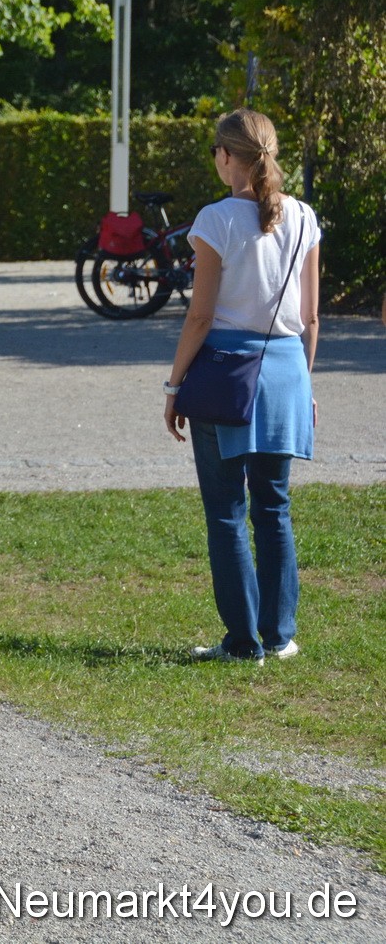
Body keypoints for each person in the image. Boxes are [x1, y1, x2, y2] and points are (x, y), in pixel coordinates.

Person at [165, 108, 319, 666]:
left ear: (226, 156)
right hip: (287, 371)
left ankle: (242, 641)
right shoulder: (303, 216)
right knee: (274, 507)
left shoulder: (215, 219)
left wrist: (173, 385)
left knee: (227, 510)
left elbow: (200, 317)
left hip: (228, 374)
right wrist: (305, 385)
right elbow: (312, 317)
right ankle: (279, 636)